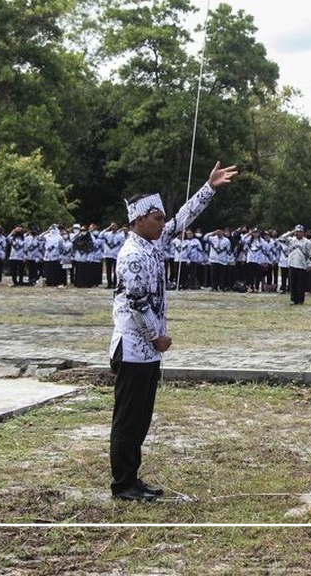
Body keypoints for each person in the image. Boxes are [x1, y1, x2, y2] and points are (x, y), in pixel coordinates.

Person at [108, 161, 237, 502]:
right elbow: (135, 302)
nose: (164, 223)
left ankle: (132, 479)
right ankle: (122, 484)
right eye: (157, 218)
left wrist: (209, 188)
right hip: (135, 346)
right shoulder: (133, 254)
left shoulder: (152, 243)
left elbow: (183, 218)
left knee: (141, 419)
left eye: (162, 218)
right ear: (138, 220)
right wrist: (156, 336)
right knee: (128, 418)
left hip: (147, 349)